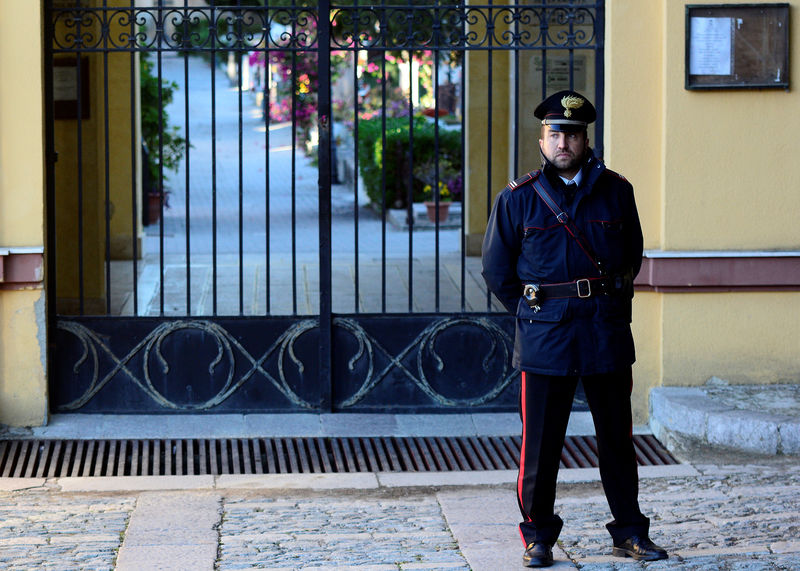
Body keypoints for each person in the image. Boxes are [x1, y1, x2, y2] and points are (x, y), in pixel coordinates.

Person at [481, 90, 667, 567]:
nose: (564, 141)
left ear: (586, 139)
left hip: (603, 330)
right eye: (555, 133)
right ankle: (538, 535)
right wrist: (537, 314)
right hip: (547, 335)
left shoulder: (616, 191)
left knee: (617, 441)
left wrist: (609, 308)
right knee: (541, 444)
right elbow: (498, 273)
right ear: (543, 140)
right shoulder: (517, 199)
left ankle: (629, 531)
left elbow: (631, 259)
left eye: (573, 133)